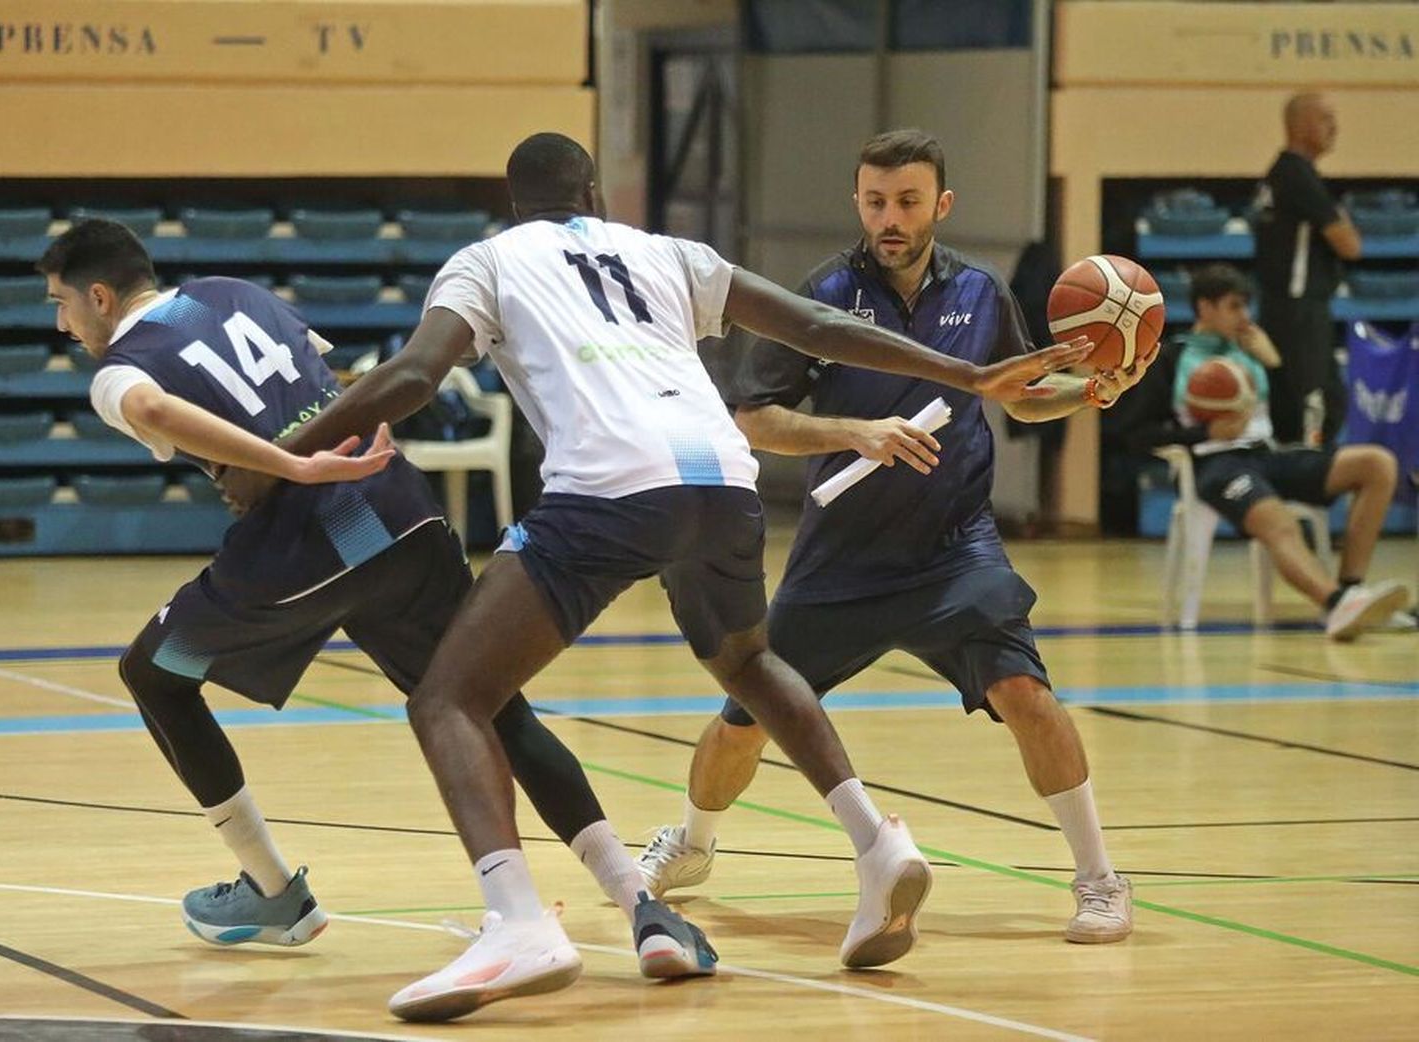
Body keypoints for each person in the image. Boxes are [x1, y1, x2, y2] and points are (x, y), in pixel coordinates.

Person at [220, 131, 1091, 1022]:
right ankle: (877, 843)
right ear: (593, 193)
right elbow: (822, 327)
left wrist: (279, 457)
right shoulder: (666, 251)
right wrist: (970, 374)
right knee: (749, 664)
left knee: (448, 697)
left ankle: (518, 920)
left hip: (608, 490)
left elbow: (412, 374)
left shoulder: (484, 261)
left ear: (512, 201)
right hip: (720, 480)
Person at [37, 219, 715, 980]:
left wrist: (285, 468)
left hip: (305, 546)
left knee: (155, 674)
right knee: (487, 706)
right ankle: (642, 909)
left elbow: (157, 411)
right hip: (401, 513)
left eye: (62, 303)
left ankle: (272, 892)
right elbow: (334, 387)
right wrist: (318, 452)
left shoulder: (115, 371)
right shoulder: (238, 294)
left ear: (99, 296)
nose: (62, 323)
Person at [637, 129, 1146, 946]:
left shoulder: (981, 294)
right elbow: (755, 419)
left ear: (941, 205)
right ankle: (692, 844)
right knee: (746, 719)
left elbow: (1021, 398)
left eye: (907, 201)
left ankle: (1100, 881)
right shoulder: (823, 294)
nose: (890, 218)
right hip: (842, 559)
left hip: (955, 548)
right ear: (858, 203)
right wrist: (857, 432)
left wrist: (1088, 392)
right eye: (876, 201)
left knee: (1028, 695)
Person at [1118, 263, 1411, 637]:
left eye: (1246, 307)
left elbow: (1290, 425)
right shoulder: (1169, 359)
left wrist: (1274, 365)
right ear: (1204, 307)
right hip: (1215, 464)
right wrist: (1206, 431)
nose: (1245, 316)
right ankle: (1337, 604)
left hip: (1268, 455)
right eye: (1234, 306)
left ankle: (1353, 590)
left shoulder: (1252, 352)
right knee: (1281, 524)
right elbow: (1136, 435)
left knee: (1377, 464)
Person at [1253, 91, 1362, 446]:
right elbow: (1349, 245)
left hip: (1291, 308)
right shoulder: (1295, 174)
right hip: (1298, 309)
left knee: (1325, 400)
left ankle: (1305, 480)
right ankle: (1301, 483)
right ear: (1298, 125)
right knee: (1311, 404)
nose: (1335, 127)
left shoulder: (1285, 173)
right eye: (1325, 118)